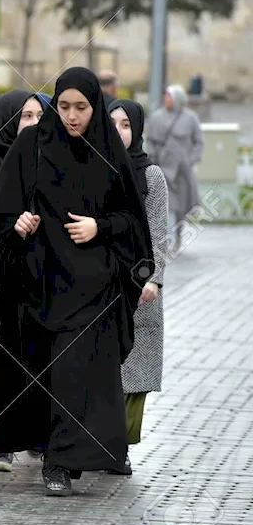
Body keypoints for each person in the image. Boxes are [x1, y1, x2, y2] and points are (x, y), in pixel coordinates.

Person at [0, 67, 152, 496]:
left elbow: (134, 221)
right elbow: (0, 214)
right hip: (39, 283)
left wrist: (101, 227)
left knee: (79, 375)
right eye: (64, 107)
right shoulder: (32, 146)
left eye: (82, 107)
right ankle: (51, 453)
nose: (72, 116)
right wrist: (17, 225)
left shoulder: (110, 152)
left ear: (95, 107)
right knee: (46, 375)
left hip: (94, 285)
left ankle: (65, 461)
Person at [0, 90, 50, 472]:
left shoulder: (57, 162)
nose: (32, 123)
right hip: (0, 278)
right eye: (25, 116)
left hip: (48, 280)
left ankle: (42, 439)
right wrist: (8, 229)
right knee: (1, 356)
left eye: (39, 115)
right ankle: (3, 440)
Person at [109, 99, 168, 472]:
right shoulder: (92, 167)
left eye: (126, 124)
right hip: (99, 280)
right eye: (111, 122)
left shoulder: (151, 176)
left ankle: (120, 448)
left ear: (137, 130)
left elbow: (159, 231)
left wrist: (153, 278)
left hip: (138, 283)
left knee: (133, 374)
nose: (118, 130)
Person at [147, 84, 203, 252]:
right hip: (162, 168)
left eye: (170, 96)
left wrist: (191, 160)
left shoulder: (190, 118)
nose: (167, 99)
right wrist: (151, 156)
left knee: (181, 208)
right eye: (166, 96)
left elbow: (198, 142)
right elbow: (149, 140)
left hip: (182, 171)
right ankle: (166, 239)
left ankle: (178, 234)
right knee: (166, 205)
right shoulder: (156, 117)